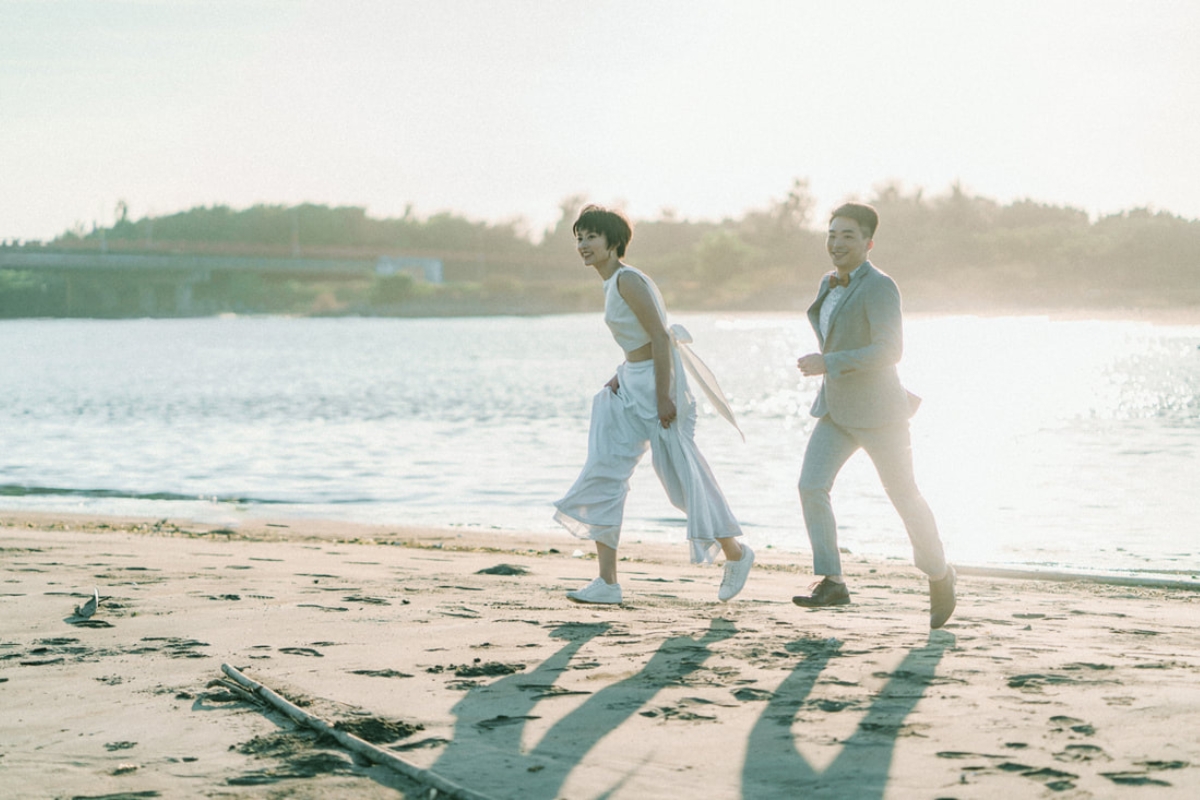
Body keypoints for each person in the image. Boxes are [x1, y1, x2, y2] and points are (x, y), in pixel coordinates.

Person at [554, 204, 753, 604]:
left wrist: (664, 396)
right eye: (579, 237)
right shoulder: (611, 282)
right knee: (605, 471)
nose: (583, 245)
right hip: (631, 385)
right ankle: (607, 583)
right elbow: (638, 344)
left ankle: (736, 554)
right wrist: (621, 373)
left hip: (660, 389)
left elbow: (661, 339)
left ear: (613, 243)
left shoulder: (628, 280)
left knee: (683, 483)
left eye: (591, 236)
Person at [792, 202, 956, 628]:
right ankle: (832, 581)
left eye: (847, 235)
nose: (836, 242)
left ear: (868, 242)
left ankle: (939, 573)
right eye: (831, 234)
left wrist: (830, 362)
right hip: (836, 409)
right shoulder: (828, 283)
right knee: (811, 486)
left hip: (881, 412)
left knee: (903, 494)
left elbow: (890, 350)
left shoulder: (880, 286)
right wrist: (831, 369)